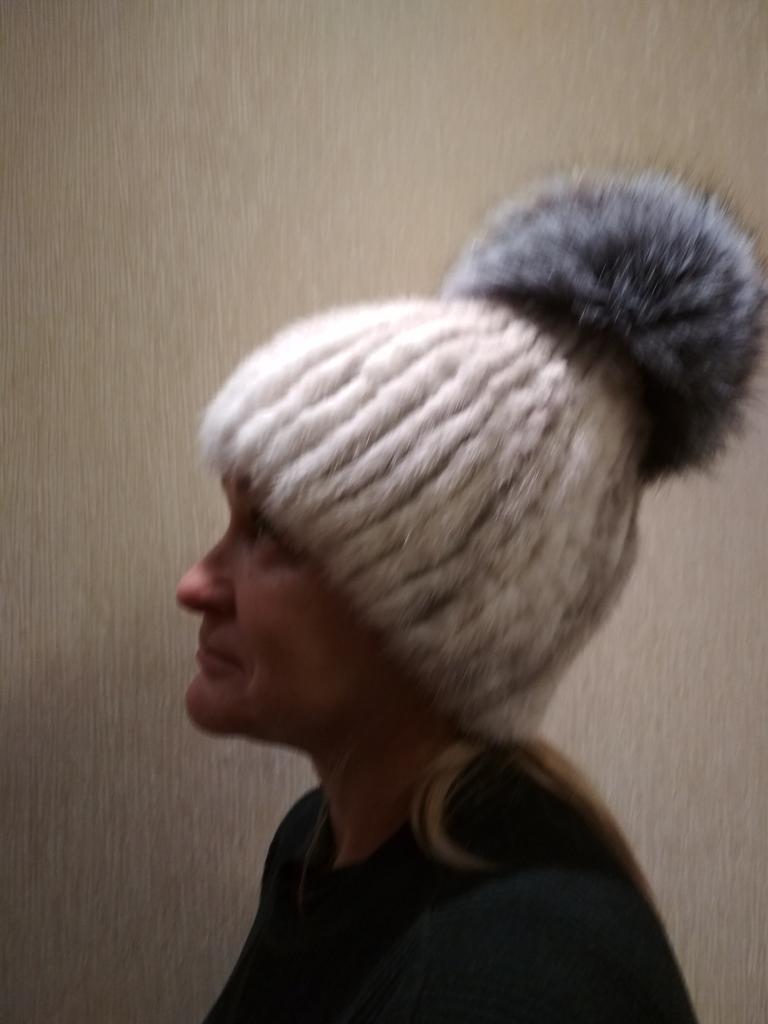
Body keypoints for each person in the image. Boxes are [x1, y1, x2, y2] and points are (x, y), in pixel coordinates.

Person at [176, 172, 764, 1023]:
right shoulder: (323, 847)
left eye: (266, 531)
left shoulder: (501, 980)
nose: (195, 584)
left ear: (441, 612)